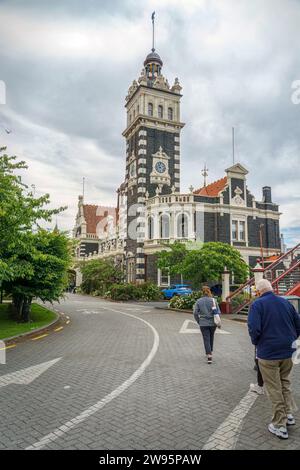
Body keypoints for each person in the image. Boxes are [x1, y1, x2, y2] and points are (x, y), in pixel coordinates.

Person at [248, 278, 300, 440]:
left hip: (269, 352)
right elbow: (298, 324)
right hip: (288, 350)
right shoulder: (286, 303)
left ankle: (279, 425)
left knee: (274, 388)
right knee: (285, 382)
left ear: (259, 291)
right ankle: (288, 414)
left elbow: (254, 328)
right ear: (271, 288)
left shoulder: (257, 305)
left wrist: (257, 343)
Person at [193, 286, 221, 364]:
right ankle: (210, 351)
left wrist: (198, 321)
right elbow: (218, 312)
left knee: (206, 339)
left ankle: (209, 355)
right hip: (213, 323)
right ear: (209, 292)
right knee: (211, 337)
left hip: (203, 323)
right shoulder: (214, 300)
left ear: (202, 292)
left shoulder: (199, 301)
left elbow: (195, 313)